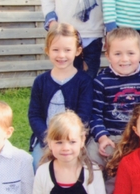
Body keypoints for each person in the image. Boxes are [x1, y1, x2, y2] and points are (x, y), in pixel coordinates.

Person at [87, 27, 140, 194]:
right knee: (89, 164)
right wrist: (102, 137)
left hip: (135, 139)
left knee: (119, 179)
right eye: (117, 54)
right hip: (108, 136)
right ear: (108, 55)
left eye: (130, 53)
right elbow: (95, 114)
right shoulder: (101, 81)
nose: (124, 59)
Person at [28, 23, 92, 170]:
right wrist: (48, 139)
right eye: (55, 50)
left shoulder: (84, 82)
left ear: (77, 51)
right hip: (46, 140)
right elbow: (34, 115)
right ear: (47, 50)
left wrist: (69, 140)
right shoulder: (41, 81)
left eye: (67, 50)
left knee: (79, 168)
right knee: (39, 165)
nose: (61, 55)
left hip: (73, 140)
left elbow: (84, 115)